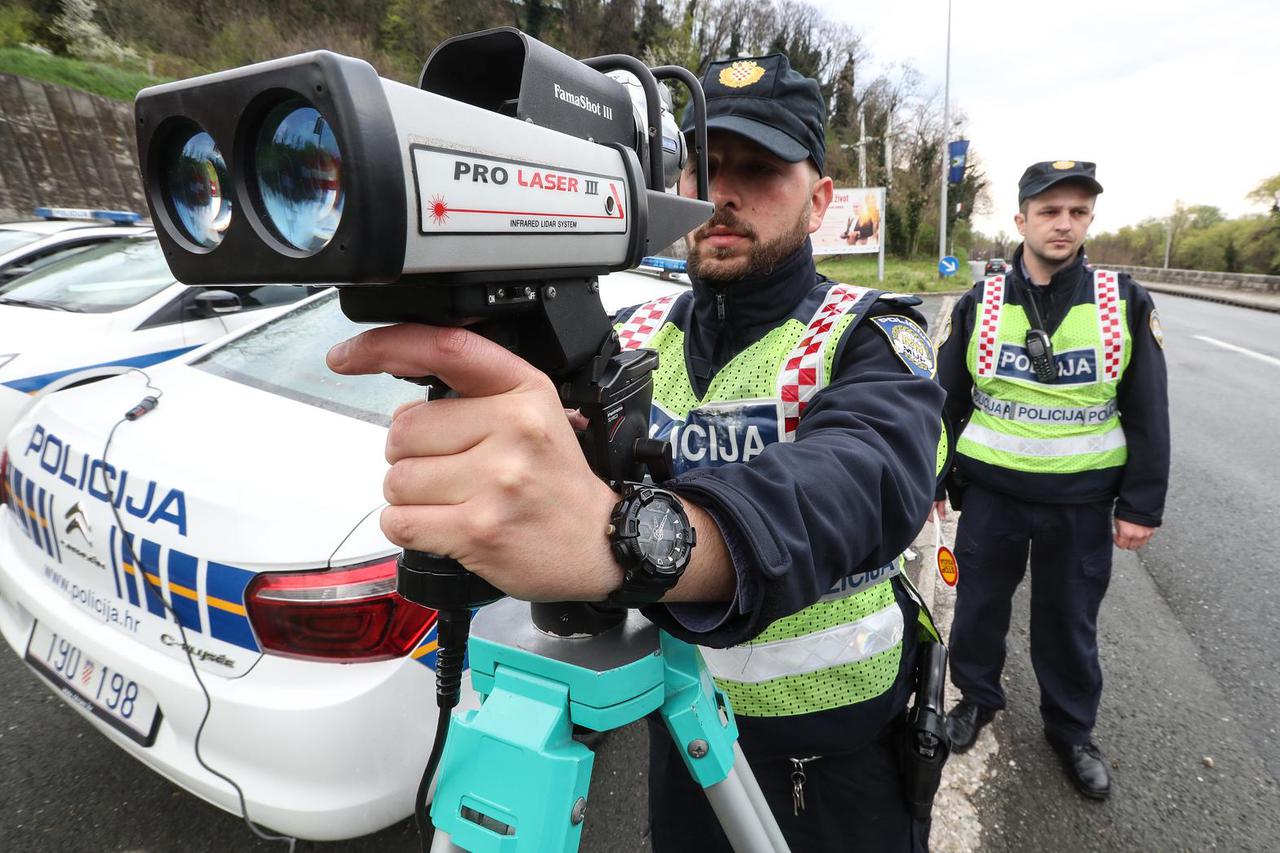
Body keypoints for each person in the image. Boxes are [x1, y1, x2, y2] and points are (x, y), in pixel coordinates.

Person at [327, 53, 945, 852]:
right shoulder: (642, 337)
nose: (723, 192)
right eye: (705, 163)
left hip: (830, 750)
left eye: (760, 169)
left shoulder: (867, 336)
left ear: (821, 199)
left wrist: (628, 539)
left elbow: (863, 480)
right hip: (684, 722)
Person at [932, 160, 1170, 801]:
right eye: (1049, 211)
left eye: (1077, 212)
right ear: (1022, 219)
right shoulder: (980, 301)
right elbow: (945, 400)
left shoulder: (1122, 300)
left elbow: (1148, 408)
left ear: (1089, 218)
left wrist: (1141, 505)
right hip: (992, 498)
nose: (1063, 224)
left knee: (1069, 623)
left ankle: (1071, 731)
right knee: (978, 611)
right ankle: (977, 701)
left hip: (1081, 502)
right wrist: (930, 480)